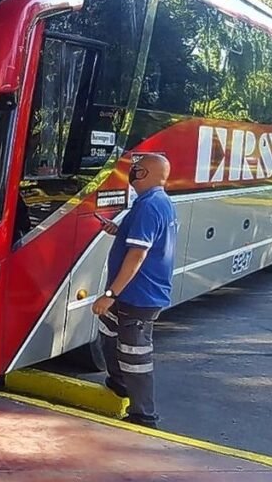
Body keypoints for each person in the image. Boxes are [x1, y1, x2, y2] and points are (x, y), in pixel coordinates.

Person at [93, 153, 177, 429]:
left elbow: (138, 255)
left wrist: (110, 294)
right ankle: (118, 384)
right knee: (108, 335)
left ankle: (144, 416)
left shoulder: (150, 206)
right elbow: (145, 238)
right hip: (131, 293)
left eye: (137, 169)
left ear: (149, 174)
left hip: (138, 295)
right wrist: (117, 229)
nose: (132, 173)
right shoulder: (154, 202)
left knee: (135, 357)